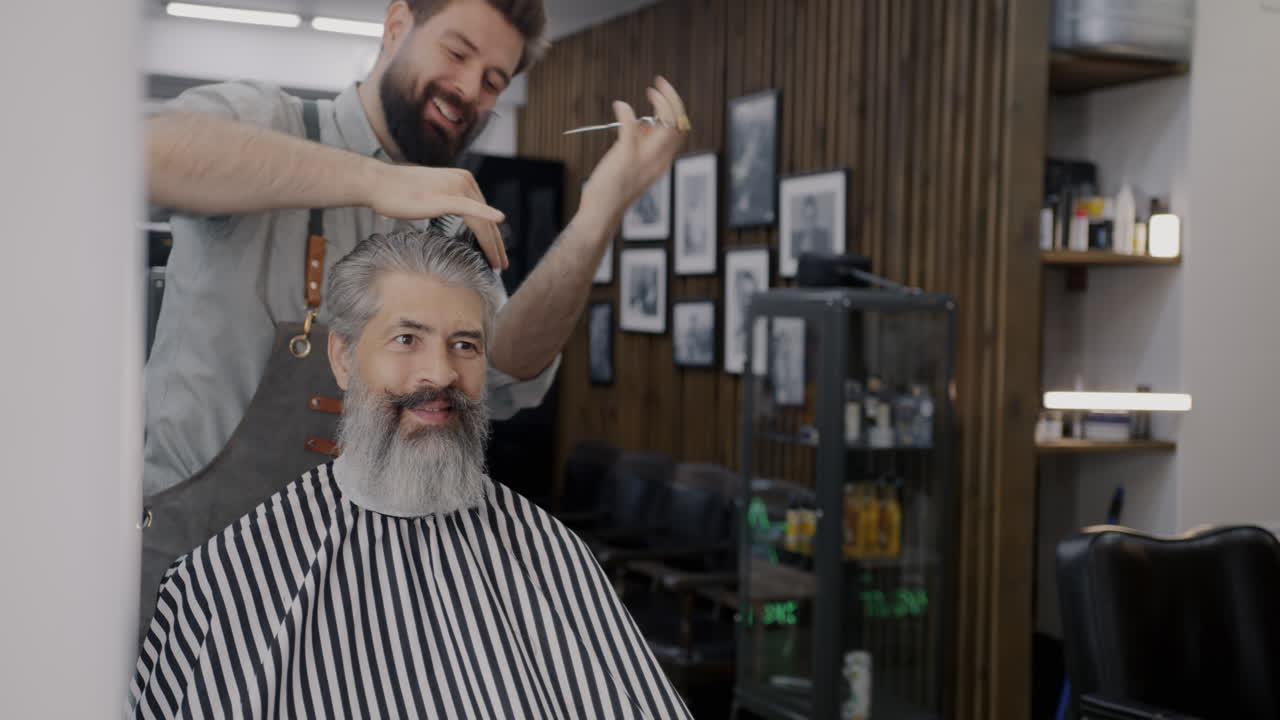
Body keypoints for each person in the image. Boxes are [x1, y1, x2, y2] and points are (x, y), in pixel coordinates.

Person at [141, 0, 689, 632]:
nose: (467, 90)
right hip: (191, 584)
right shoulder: (274, 122)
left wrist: (598, 215)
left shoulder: (449, 225)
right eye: (457, 53)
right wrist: (376, 181)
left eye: (493, 81)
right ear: (397, 26)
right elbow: (146, 156)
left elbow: (511, 370)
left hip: (354, 599)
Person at [130, 229, 692, 719]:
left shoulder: (548, 555)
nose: (441, 372)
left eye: (465, 345)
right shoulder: (230, 579)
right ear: (344, 359)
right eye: (407, 339)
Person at [790, 194, 831, 261]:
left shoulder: (823, 235)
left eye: (812, 217)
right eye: (807, 217)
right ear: (802, 217)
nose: (809, 222)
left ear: (816, 216)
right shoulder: (795, 237)